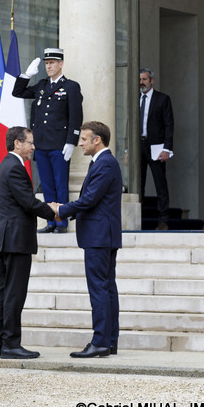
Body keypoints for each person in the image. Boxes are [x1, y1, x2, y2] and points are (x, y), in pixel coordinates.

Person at [53, 121, 122, 358]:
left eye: (84, 139)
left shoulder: (105, 163)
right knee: (107, 288)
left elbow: (89, 200)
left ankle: (101, 341)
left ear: (97, 140)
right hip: (102, 235)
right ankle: (109, 341)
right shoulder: (103, 163)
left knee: (100, 289)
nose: (80, 143)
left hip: (99, 236)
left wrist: (61, 209)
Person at [0, 126, 56, 360]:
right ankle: (10, 344)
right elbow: (28, 202)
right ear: (17, 143)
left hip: (6, 237)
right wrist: (53, 211)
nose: (33, 147)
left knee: (4, 292)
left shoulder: (6, 165)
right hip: (15, 238)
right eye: (30, 142)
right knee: (14, 293)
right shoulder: (15, 167)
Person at [13, 47, 83, 233]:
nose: (49, 66)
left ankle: (61, 222)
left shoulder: (71, 87)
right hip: (41, 144)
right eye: (47, 63)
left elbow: (75, 116)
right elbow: (18, 92)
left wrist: (71, 141)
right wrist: (27, 75)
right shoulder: (42, 86)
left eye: (52, 63)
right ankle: (50, 221)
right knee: (47, 187)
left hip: (60, 144)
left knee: (60, 185)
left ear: (61, 64)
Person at [139, 68, 174, 230]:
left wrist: (167, 148)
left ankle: (163, 219)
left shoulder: (162, 99)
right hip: (138, 146)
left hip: (156, 147)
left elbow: (169, 125)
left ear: (151, 81)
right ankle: (138, 218)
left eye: (145, 79)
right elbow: (128, 123)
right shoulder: (135, 98)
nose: (142, 82)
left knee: (160, 184)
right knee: (138, 185)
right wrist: (126, 150)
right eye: (140, 79)